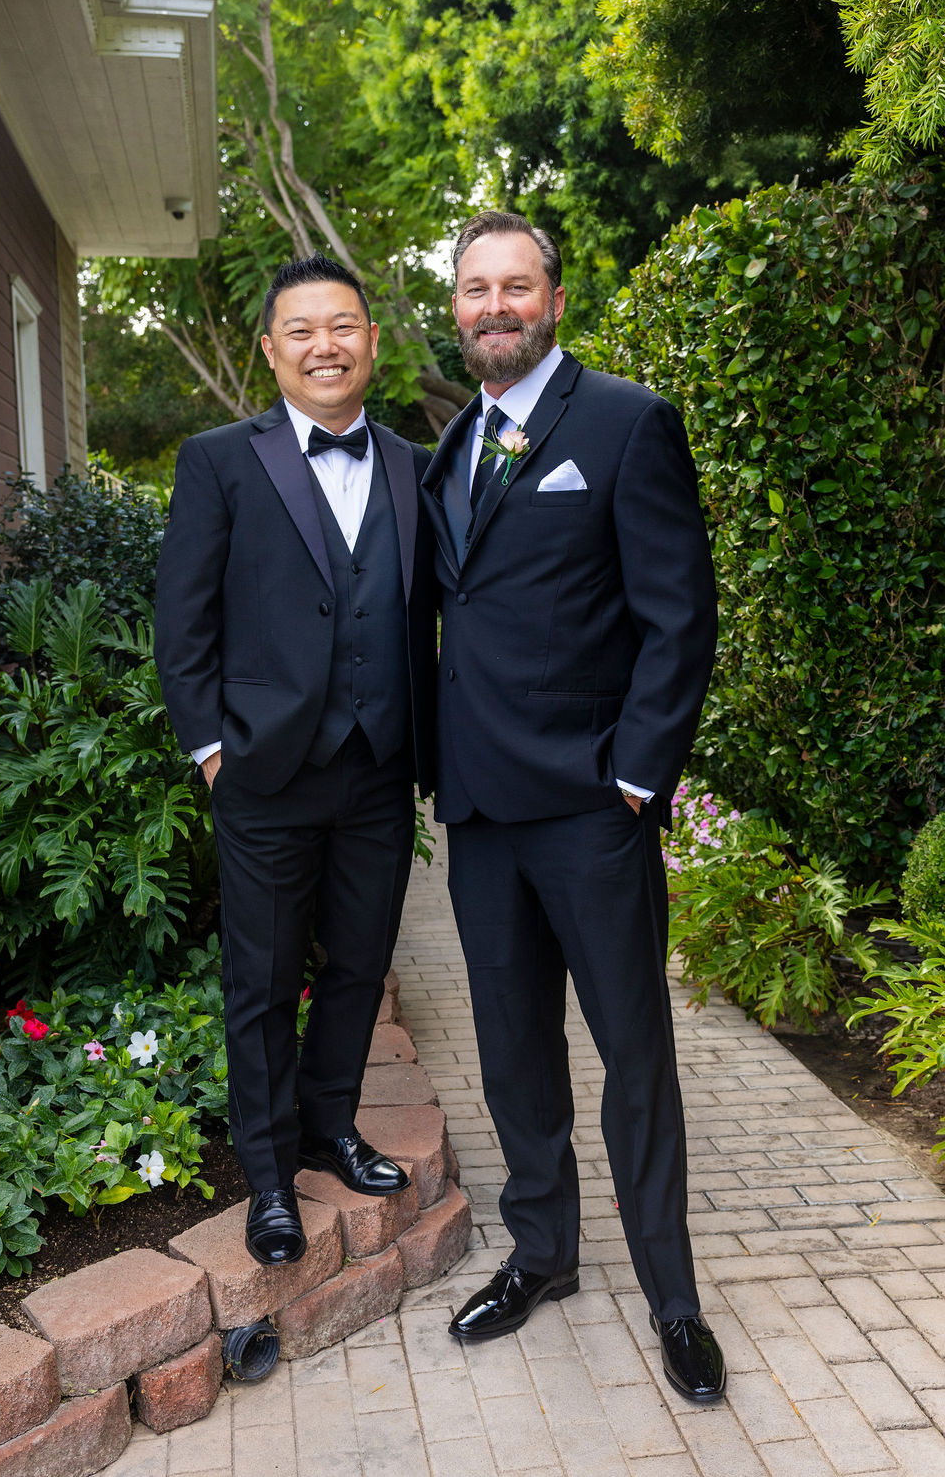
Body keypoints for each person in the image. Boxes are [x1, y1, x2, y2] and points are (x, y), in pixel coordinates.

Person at [420, 211, 725, 1404]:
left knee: (633, 1054)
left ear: (553, 298)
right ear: (456, 308)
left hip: (593, 807)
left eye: (516, 286)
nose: (494, 306)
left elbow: (678, 616)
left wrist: (636, 777)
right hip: (481, 814)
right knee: (513, 1054)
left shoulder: (625, 421)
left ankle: (674, 1298)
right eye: (475, 288)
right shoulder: (453, 445)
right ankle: (542, 1252)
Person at [155, 253, 437, 1267]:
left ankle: (330, 1125)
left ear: (372, 341)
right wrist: (212, 750)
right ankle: (270, 1177)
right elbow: (182, 617)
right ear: (271, 350)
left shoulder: (414, 464)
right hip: (264, 773)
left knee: (358, 965)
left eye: (343, 326)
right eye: (303, 330)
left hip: (379, 769)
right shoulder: (219, 460)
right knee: (264, 981)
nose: (326, 346)